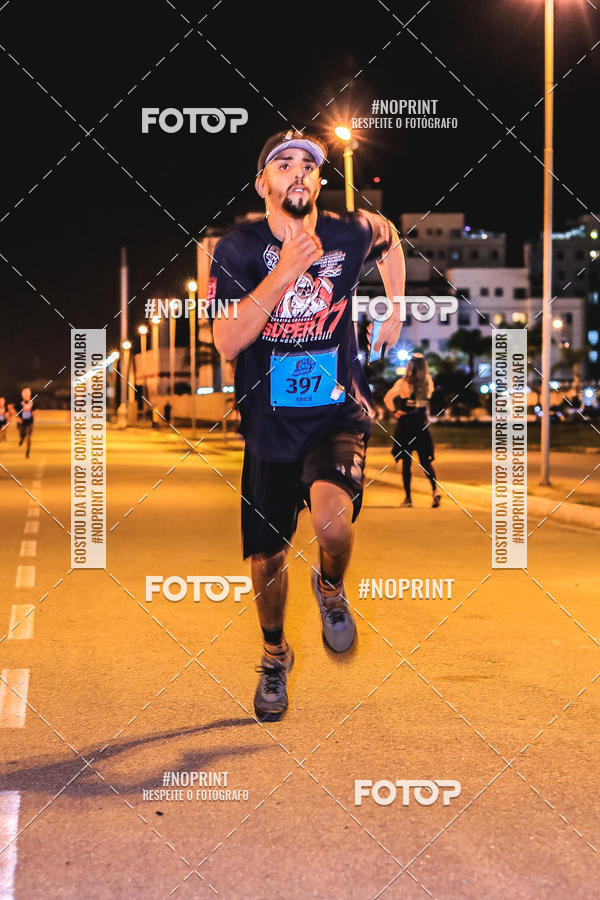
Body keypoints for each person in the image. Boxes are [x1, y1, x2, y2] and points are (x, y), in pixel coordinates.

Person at [211, 129, 405, 722]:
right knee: (268, 561)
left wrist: (396, 305)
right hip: (269, 425)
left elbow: (391, 238)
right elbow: (227, 341)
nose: (298, 172)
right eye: (284, 164)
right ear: (262, 184)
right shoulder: (237, 249)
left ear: (319, 181)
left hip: (335, 410)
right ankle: (275, 656)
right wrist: (286, 271)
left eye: (308, 166)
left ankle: (330, 588)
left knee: (333, 526)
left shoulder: (350, 231)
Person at [384, 353, 441, 508]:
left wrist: (395, 411)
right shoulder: (427, 382)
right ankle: (435, 491)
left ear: (410, 365)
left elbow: (387, 398)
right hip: (420, 425)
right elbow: (426, 399)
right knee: (425, 462)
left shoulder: (403, 382)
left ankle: (408, 498)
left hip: (405, 426)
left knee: (406, 463)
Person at [17, 387, 34, 458]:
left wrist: (34, 414)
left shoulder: (32, 402)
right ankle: (22, 439)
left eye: (28, 394)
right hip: (22, 423)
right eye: (25, 395)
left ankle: (28, 451)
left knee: (28, 436)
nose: (26, 396)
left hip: (29, 422)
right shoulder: (19, 403)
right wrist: (18, 418)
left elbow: (35, 410)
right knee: (22, 435)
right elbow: (16, 412)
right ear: (23, 395)